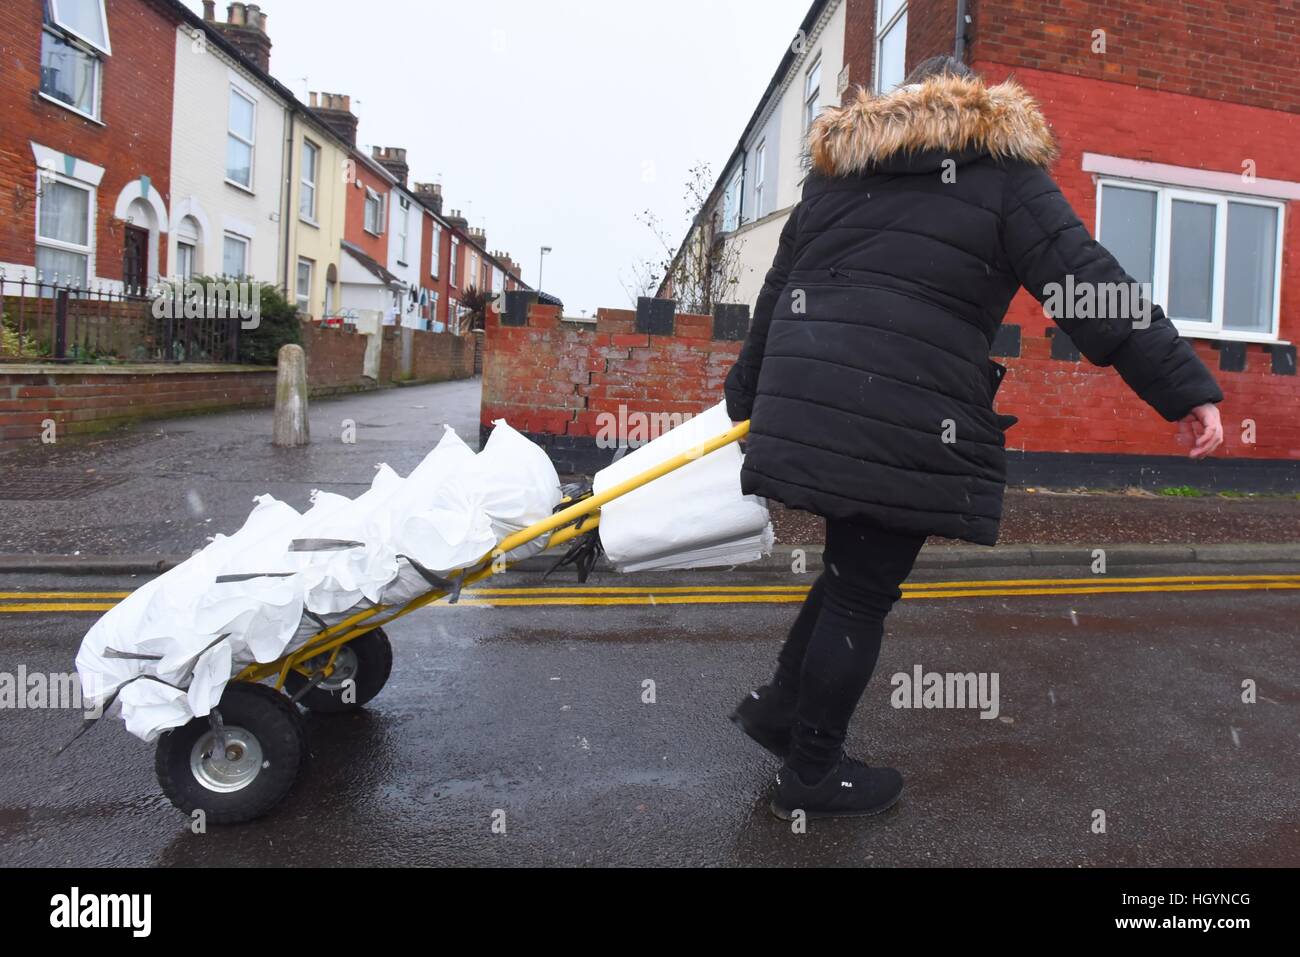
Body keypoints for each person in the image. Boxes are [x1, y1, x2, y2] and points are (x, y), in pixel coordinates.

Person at [724, 55, 1224, 821]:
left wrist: (746, 395)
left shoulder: (839, 172)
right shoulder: (998, 170)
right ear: (978, 101)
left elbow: (777, 286)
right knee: (862, 587)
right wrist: (1182, 385)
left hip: (814, 397)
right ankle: (813, 771)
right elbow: (1085, 280)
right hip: (902, 410)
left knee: (848, 568)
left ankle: (781, 712)